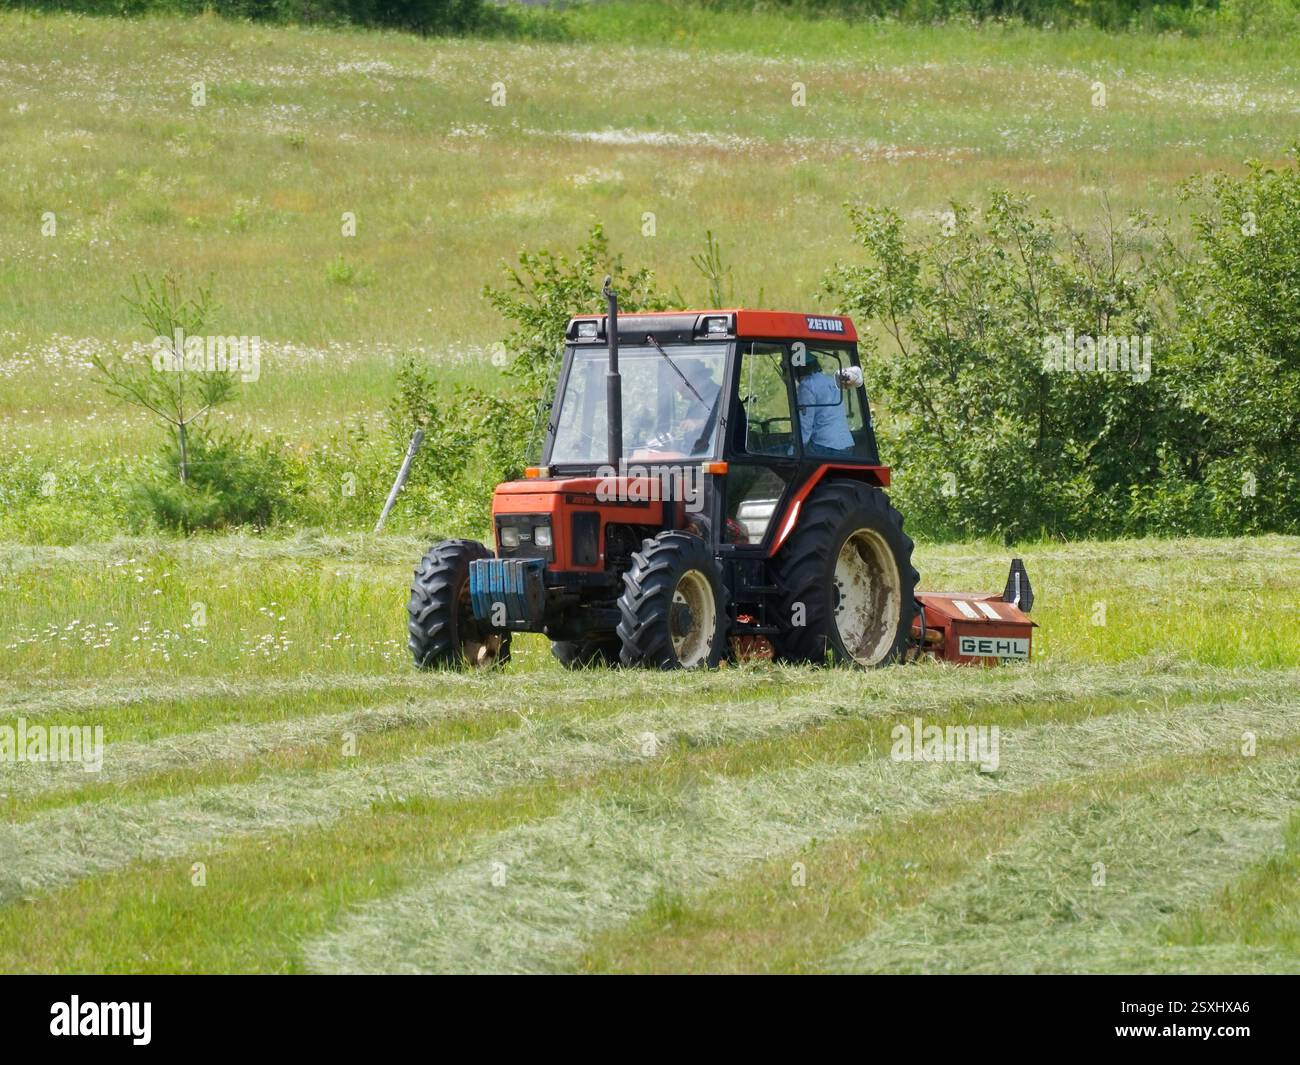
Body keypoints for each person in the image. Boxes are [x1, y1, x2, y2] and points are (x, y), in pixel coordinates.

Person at [794, 355, 856, 456]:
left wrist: (794, 449)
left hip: (825, 447)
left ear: (797, 369)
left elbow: (805, 426)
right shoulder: (830, 381)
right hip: (846, 446)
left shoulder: (807, 386)